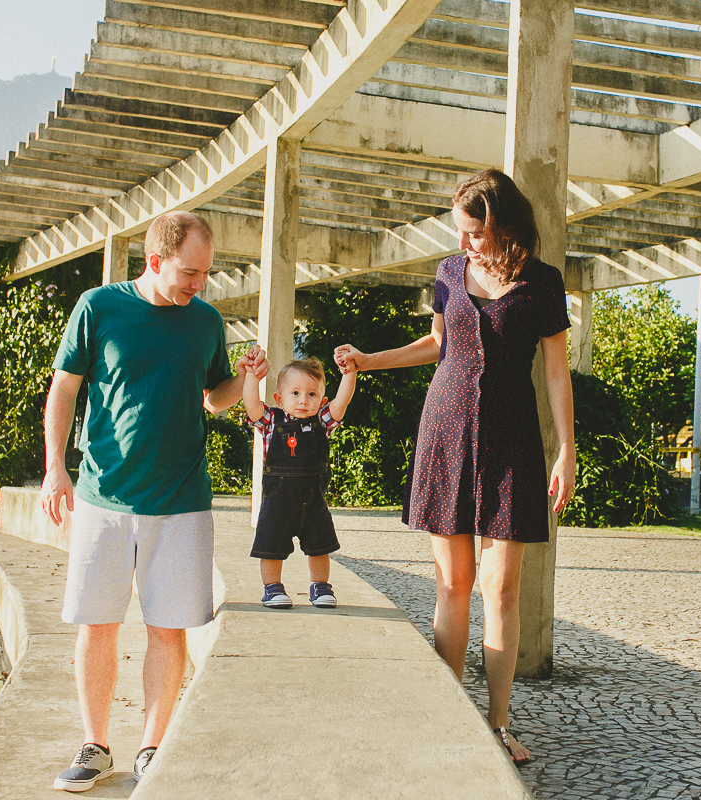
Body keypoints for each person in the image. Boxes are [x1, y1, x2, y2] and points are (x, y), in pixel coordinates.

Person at [334, 169, 576, 765]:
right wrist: (368, 361)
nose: (464, 243)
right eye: (461, 232)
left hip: (512, 440)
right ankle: (448, 719)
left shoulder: (543, 283)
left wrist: (566, 448)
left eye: (474, 233)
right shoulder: (447, 273)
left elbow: (554, 371)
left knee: (501, 588)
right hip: (445, 429)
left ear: (503, 225)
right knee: (451, 586)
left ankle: (496, 726)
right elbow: (436, 345)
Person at [40, 210, 257, 792]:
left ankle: (152, 750)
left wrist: (248, 379)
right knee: (97, 624)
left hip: (182, 501)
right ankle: (95, 746)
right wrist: (54, 468)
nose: (199, 284)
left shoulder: (206, 322)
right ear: (155, 261)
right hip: (102, 497)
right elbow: (64, 387)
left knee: (168, 629)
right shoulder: (98, 307)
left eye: (206, 274)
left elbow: (214, 400)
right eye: (190, 272)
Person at [241, 356, 357, 609]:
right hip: (278, 500)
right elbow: (251, 406)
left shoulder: (323, 422)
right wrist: (251, 376)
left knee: (320, 546)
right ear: (279, 398)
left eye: (312, 394)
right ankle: (272, 588)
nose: (304, 400)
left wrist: (349, 374)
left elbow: (342, 402)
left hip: (313, 500)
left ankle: (320, 586)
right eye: (295, 393)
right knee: (271, 546)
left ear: (322, 400)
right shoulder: (272, 421)